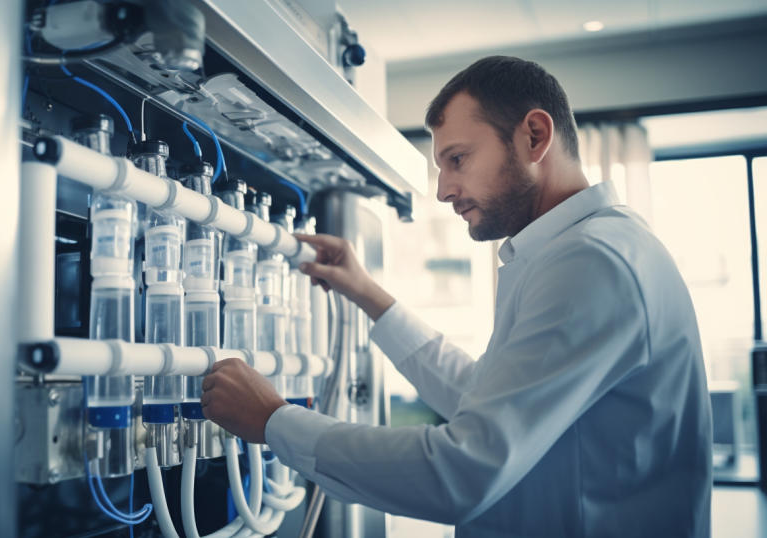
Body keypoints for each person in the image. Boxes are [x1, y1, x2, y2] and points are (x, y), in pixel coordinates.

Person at [200, 56, 712, 537]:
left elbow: (463, 470)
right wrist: (366, 294)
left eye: (458, 159)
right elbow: (481, 395)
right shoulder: (578, 251)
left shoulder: (593, 262)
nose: (443, 189)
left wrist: (274, 421)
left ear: (535, 136)